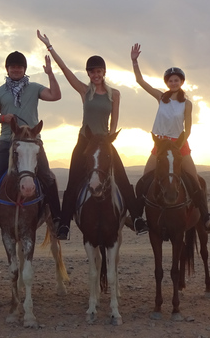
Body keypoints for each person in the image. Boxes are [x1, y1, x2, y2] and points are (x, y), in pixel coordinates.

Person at [36, 30, 147, 239]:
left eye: (98, 71)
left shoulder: (115, 94)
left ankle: (137, 218)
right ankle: (65, 225)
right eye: (92, 72)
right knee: (73, 182)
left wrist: (110, 137)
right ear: (88, 74)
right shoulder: (84, 91)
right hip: (85, 142)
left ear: (104, 72)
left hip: (104, 142)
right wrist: (49, 47)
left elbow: (114, 120)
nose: (95, 75)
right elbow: (65, 70)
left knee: (122, 179)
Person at [0, 44, 63, 234]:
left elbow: (55, 95)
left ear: (24, 69)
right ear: (7, 69)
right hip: (7, 141)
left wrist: (50, 74)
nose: (16, 69)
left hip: (32, 142)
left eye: (19, 67)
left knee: (48, 177)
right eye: (12, 67)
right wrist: (3, 118)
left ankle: (57, 219)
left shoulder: (34, 88)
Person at [131, 43, 210, 233]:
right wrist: (135, 61)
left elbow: (188, 128)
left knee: (195, 181)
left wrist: (179, 144)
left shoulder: (186, 104)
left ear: (181, 82)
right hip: (160, 145)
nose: (173, 83)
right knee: (144, 181)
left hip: (179, 146)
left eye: (176, 80)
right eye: (170, 80)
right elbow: (140, 82)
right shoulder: (160, 97)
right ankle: (138, 218)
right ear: (166, 83)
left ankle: (205, 217)